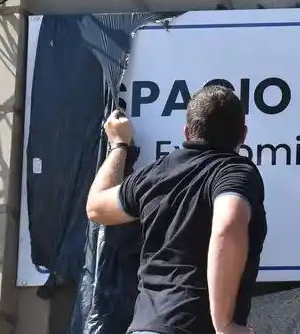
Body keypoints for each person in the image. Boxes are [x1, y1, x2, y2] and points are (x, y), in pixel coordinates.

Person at [85, 83, 267, 334]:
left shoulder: (156, 173)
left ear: (187, 132)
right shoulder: (235, 171)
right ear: (244, 135)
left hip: (144, 328)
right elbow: (228, 224)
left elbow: (97, 207)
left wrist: (119, 146)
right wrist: (224, 323)